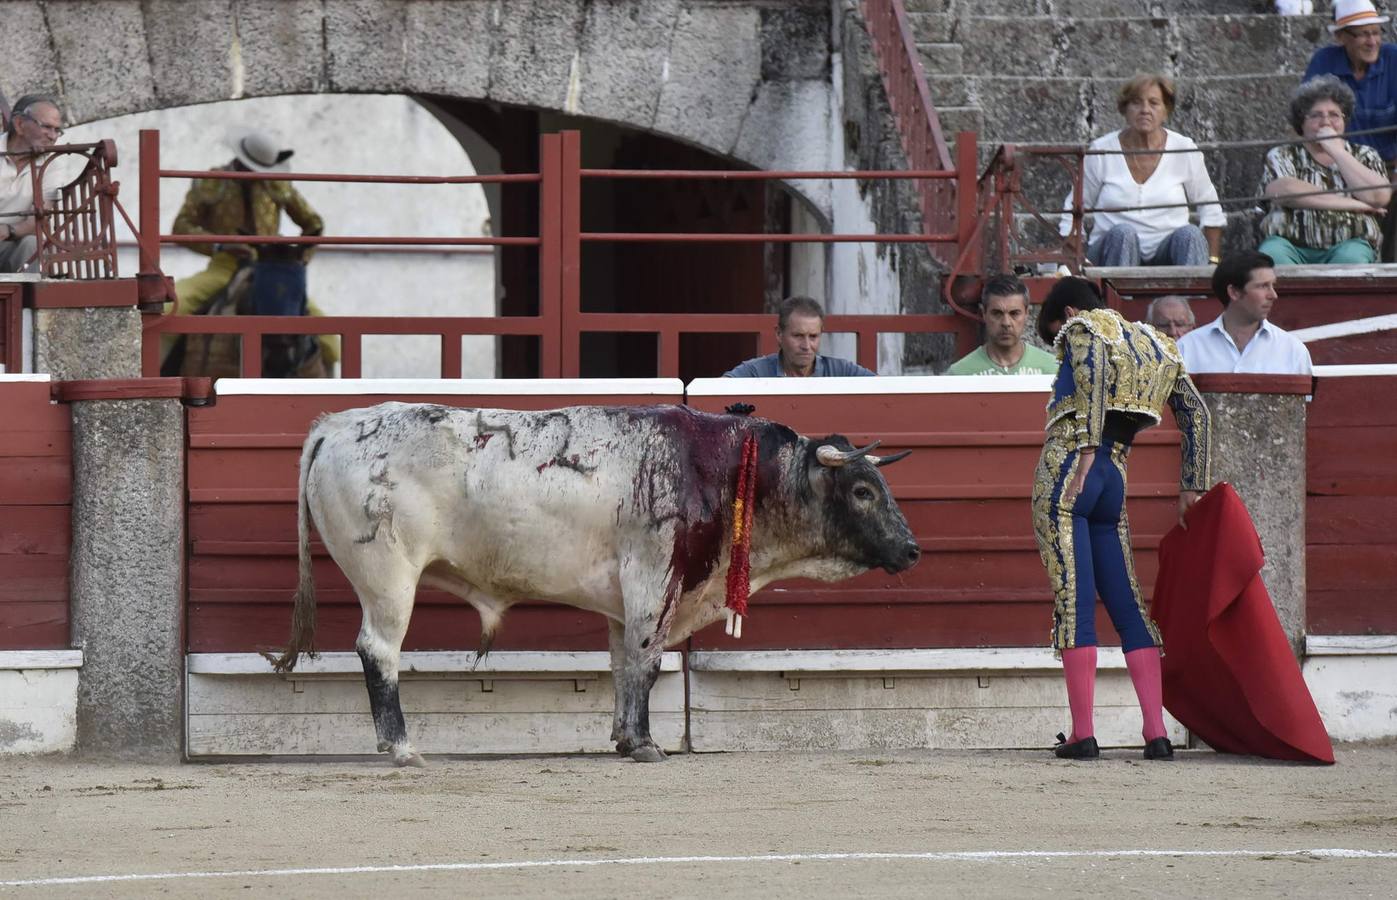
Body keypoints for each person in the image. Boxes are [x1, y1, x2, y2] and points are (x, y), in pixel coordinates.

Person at [1032, 276, 1212, 761]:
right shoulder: (1156, 342)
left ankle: (1083, 734)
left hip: (1072, 468)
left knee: (1074, 601)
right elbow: (1196, 412)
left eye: (1055, 336)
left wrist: (1086, 447)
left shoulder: (1082, 329)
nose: (1060, 347)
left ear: (1068, 314)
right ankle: (1156, 733)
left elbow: (1088, 373)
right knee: (1128, 604)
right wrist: (1190, 485)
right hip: (1115, 478)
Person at [169, 130, 338, 365]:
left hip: (270, 272)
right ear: (240, 161)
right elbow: (181, 226)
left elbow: (313, 223)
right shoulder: (212, 181)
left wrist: (297, 259)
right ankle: (155, 383)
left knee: (330, 339)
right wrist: (220, 244)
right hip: (224, 268)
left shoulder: (277, 184)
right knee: (170, 308)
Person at [1060, 73, 1226, 268]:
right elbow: (1073, 209)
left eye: (1154, 103)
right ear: (1125, 109)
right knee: (1123, 234)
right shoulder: (1101, 150)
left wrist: (1213, 262)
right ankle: (1118, 298)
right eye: (1136, 103)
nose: (1145, 110)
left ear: (1166, 111)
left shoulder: (1184, 148)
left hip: (1167, 252)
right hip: (1112, 252)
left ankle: (1191, 297)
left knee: (1190, 235)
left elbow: (1211, 208)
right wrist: (1078, 262)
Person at [1258, 75, 1391, 266]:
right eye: (1316, 115)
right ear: (1301, 123)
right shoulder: (1283, 154)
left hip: (1350, 242)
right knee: (1272, 255)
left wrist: (1337, 151)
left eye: (1334, 115)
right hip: (1289, 244)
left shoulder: (1364, 154)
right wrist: (1357, 205)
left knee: (1351, 260)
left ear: (1345, 121)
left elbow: (1378, 196)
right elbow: (1283, 192)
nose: (1326, 121)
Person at [1305, 0, 1397, 260]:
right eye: (1363, 34)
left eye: (1376, 32)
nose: (1372, 41)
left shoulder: (1394, 59)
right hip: (1338, 166)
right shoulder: (1324, 61)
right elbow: (1305, 119)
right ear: (1341, 37)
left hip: (1390, 167)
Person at [1177, 251, 1314, 375]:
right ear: (1234, 292)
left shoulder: (1293, 350)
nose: (1273, 295)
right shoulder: (1187, 348)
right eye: (1263, 286)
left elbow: (1306, 403)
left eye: (1272, 285)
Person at [722, 296, 875, 377]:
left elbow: (885, 392)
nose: (806, 346)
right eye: (798, 336)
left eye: (813, 336)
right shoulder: (756, 371)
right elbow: (716, 391)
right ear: (779, 334)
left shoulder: (840, 370)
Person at [0, 94, 64, 274]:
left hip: (11, 242)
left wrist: (8, 230)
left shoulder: (51, 165)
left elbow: (38, 221)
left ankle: (30, 301)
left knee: (32, 243)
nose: (53, 137)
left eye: (57, 130)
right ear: (19, 124)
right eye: (46, 127)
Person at [945, 274, 1058, 375]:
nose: (1006, 323)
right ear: (984, 313)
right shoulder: (961, 374)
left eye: (1014, 313)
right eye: (997, 314)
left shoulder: (1052, 370)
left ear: (1026, 314)